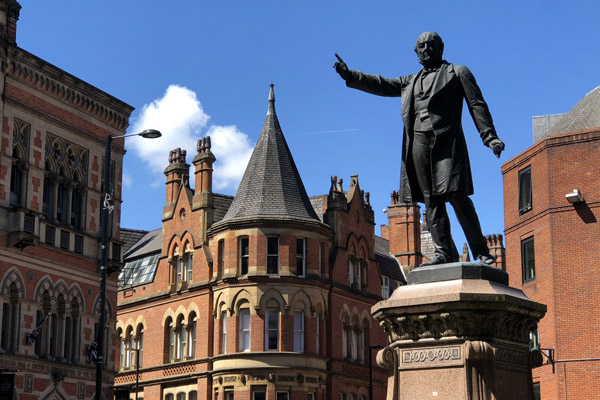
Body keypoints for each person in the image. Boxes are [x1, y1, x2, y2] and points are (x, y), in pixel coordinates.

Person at [334, 31, 505, 266]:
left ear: (440, 48)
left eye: (430, 45)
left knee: (457, 195)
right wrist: (351, 75)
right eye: (421, 47)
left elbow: (477, 104)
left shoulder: (457, 72)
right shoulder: (410, 81)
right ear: (416, 53)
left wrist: (490, 136)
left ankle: (481, 251)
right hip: (418, 143)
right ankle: (443, 252)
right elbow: (382, 84)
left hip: (447, 143)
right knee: (431, 199)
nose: (425, 49)